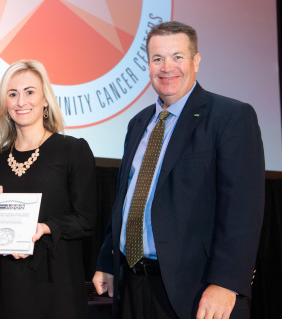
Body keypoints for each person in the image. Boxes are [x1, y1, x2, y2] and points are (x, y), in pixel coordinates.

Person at [93, 21, 265, 319]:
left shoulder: (231, 117)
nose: (166, 67)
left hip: (195, 292)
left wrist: (225, 284)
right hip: (133, 285)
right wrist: (108, 261)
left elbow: (243, 211)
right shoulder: (138, 123)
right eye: (157, 58)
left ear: (196, 61)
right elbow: (126, 199)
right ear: (148, 65)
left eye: (177, 57)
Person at [0, 60, 97, 319]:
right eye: (13, 94)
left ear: (44, 100)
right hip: (8, 284)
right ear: (5, 103)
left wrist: (44, 227)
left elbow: (86, 220)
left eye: (30, 92)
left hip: (56, 284)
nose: (21, 101)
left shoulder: (72, 150)